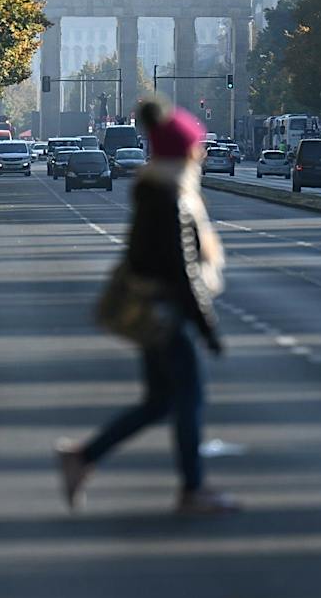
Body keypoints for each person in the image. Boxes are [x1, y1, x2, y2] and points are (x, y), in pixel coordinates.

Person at [56, 98, 237, 516]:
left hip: (156, 310)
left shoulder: (154, 190)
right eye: (198, 146)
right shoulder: (172, 197)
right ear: (183, 153)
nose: (203, 153)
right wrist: (207, 328)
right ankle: (192, 489)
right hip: (167, 314)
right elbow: (183, 268)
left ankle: (83, 457)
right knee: (188, 399)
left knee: (160, 401)